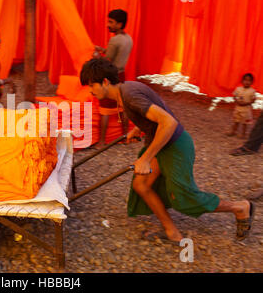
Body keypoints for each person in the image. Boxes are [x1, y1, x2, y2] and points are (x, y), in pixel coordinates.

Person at [80, 58, 255, 242]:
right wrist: (140, 127)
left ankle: (240, 207)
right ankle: (172, 231)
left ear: (105, 82)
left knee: (186, 197)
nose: (91, 90)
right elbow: (157, 107)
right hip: (164, 144)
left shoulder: (130, 95)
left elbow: (168, 122)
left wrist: (146, 158)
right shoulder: (127, 89)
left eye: (92, 85)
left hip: (175, 146)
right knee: (141, 185)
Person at [92, 9, 133, 147]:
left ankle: (102, 142)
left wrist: (96, 56)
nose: (108, 24)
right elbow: (116, 55)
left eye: (111, 22)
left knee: (105, 109)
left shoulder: (114, 40)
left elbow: (107, 61)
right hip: (121, 75)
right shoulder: (128, 39)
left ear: (120, 24)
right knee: (122, 106)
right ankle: (126, 137)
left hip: (110, 77)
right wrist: (103, 50)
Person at [226, 73, 256, 138]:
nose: (247, 82)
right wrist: (237, 101)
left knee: (244, 123)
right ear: (242, 81)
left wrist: (247, 103)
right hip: (238, 108)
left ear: (252, 82)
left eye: (249, 80)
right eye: (245, 80)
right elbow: (234, 96)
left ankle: (243, 134)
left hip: (246, 110)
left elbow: (253, 100)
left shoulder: (252, 91)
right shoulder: (238, 89)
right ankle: (233, 131)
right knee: (236, 121)